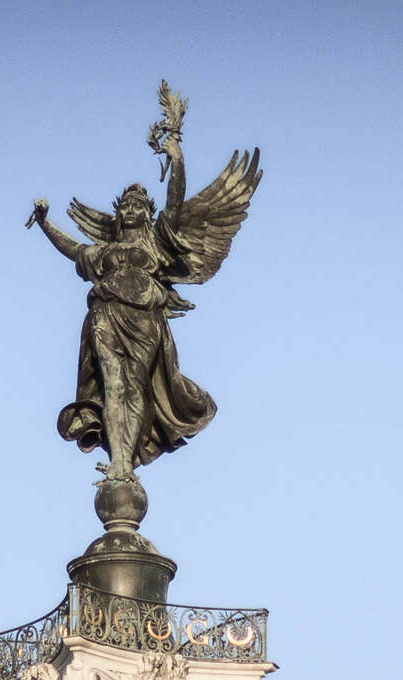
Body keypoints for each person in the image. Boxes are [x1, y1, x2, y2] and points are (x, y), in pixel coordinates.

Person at [28, 131, 260, 483]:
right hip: (105, 314)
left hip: (144, 321)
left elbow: (176, 201)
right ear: (119, 214)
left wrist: (176, 157)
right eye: (126, 204)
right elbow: (74, 249)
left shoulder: (156, 243)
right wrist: (45, 224)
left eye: (139, 204)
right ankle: (120, 461)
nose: (132, 207)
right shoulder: (102, 253)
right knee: (113, 384)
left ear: (149, 215)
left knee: (136, 388)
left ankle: (126, 459)